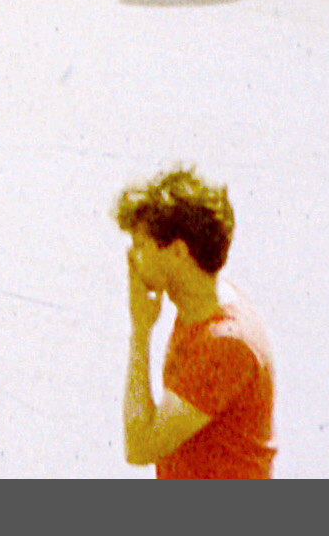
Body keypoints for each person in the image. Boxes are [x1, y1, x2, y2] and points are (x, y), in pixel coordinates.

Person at [116, 167, 275, 479]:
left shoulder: (224, 344)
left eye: (141, 245)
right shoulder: (200, 305)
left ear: (177, 252)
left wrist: (140, 330)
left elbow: (139, 447)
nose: (132, 258)